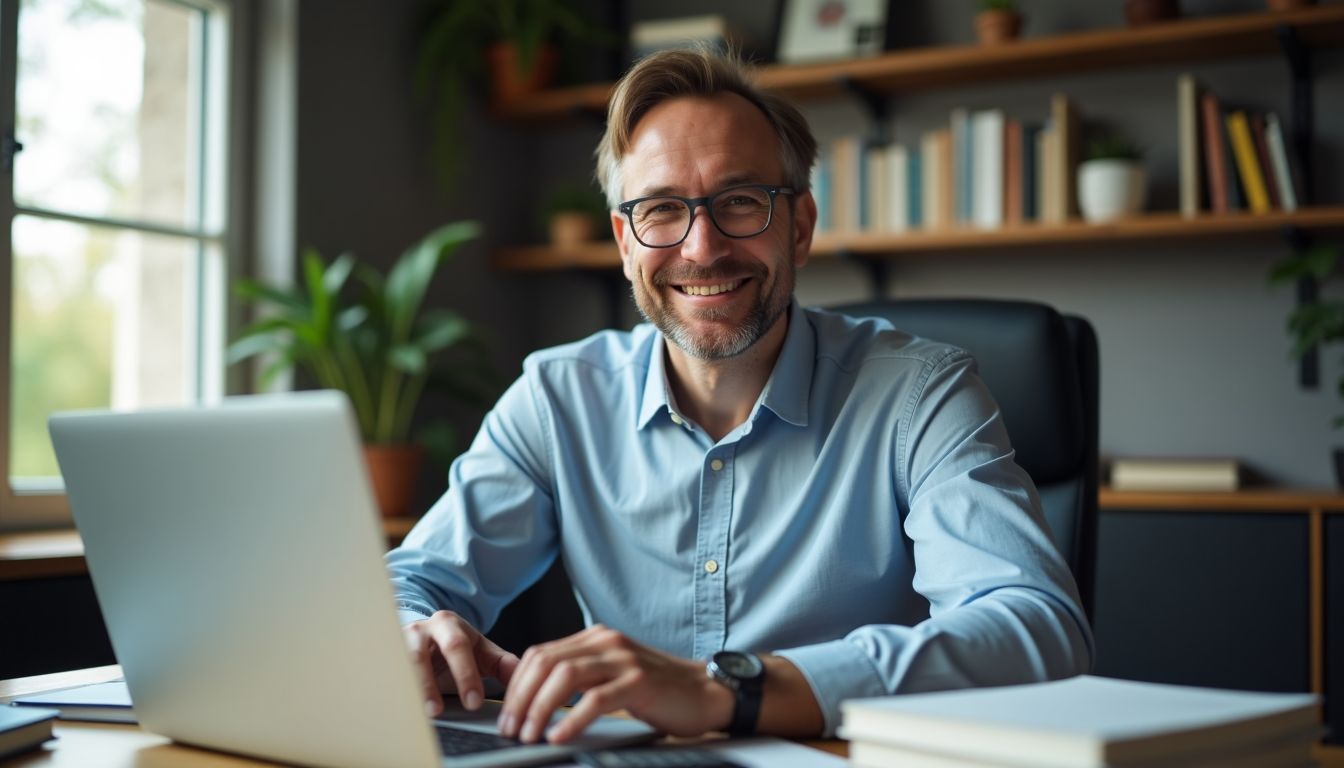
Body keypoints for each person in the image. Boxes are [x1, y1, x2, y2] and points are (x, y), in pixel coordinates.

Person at [386, 46, 1092, 746]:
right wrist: (414, 627)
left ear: (801, 226)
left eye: (741, 202)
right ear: (626, 244)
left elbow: (1037, 628)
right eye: (661, 210)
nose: (701, 247)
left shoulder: (920, 395)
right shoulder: (556, 399)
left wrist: (728, 690)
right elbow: (408, 581)